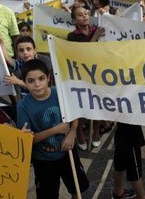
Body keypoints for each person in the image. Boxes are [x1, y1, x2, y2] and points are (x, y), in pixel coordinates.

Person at [16, 59, 89, 199]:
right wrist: (55, 130)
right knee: (47, 194)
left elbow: (74, 116)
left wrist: (72, 133)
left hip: (67, 153)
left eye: (41, 79)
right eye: (31, 81)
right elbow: (29, 139)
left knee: (77, 188)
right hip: (43, 160)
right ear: (24, 82)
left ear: (48, 78)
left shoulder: (60, 94)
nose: (37, 85)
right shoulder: (23, 106)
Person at [67, 5, 105, 150]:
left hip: (99, 73)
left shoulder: (98, 30)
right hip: (81, 75)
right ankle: (80, 133)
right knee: (82, 104)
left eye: (86, 13)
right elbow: (83, 55)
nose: (84, 16)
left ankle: (95, 132)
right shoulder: (72, 36)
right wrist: (94, 39)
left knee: (97, 103)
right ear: (74, 20)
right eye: (80, 14)